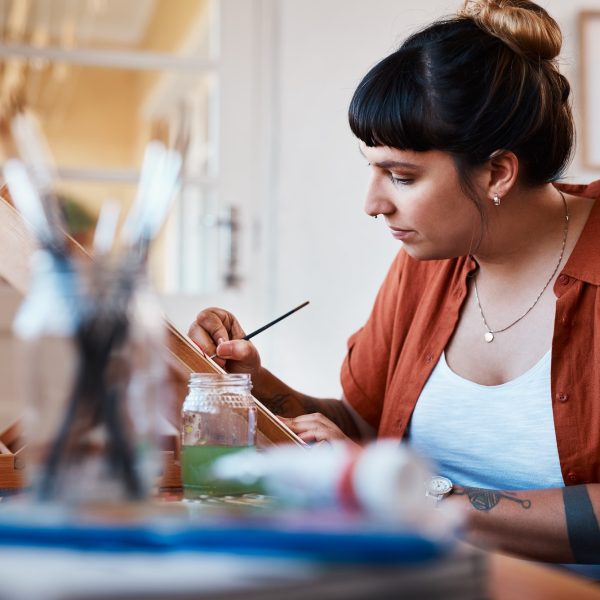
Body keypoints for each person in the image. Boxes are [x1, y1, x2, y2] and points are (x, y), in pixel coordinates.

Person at [189, 0, 600, 572]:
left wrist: (415, 498)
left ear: (497, 172)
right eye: (373, 169)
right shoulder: (430, 258)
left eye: (401, 177)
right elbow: (366, 425)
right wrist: (247, 383)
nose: (373, 205)